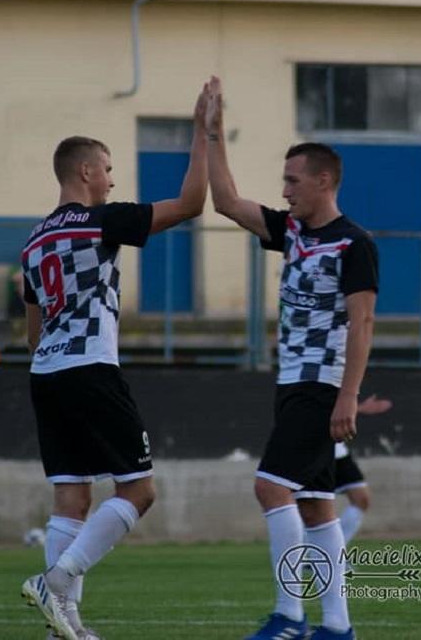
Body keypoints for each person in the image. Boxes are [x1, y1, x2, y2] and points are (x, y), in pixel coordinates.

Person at [19, 87, 209, 640]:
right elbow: (191, 204)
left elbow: (33, 333)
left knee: (71, 498)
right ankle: (56, 582)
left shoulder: (32, 243)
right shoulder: (100, 221)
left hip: (46, 374)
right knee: (139, 491)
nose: (111, 181)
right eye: (106, 169)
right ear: (85, 171)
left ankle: (64, 627)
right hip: (91, 369)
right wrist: (203, 134)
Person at [205, 76, 378, 640]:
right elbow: (226, 201)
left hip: (322, 384)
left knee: (270, 487)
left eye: (292, 180)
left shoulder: (354, 243)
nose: (284, 191)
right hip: (292, 383)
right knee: (317, 505)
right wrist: (212, 133)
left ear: (324, 181)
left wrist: (348, 394)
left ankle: (290, 616)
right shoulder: (294, 233)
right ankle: (337, 626)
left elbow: (363, 322)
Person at [334, 394, 392, 543]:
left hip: (337, 451)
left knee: (361, 499)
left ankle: (333, 549)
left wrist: (357, 408)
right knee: (314, 507)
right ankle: (308, 551)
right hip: (314, 451)